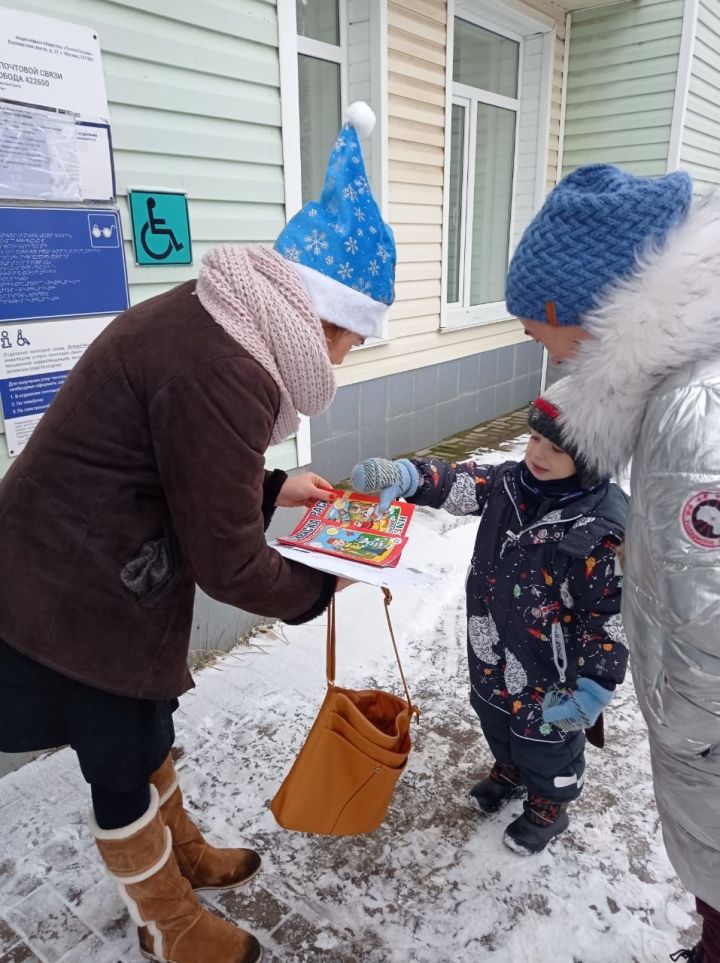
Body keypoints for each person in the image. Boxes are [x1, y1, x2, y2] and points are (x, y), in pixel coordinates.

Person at [0, 102, 394, 963]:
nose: (341, 362)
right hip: (71, 588)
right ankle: (168, 924)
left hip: (101, 558)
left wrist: (274, 484)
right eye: (352, 341)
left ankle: (181, 848)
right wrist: (319, 586)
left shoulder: (222, 316)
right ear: (323, 315)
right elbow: (226, 558)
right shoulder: (230, 364)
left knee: (145, 722)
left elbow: (176, 462)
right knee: (116, 747)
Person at [504, 164, 719, 962]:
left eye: (537, 332)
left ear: (571, 310)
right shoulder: (679, 391)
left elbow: (710, 616)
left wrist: (683, 730)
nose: (541, 350)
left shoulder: (692, 415)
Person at [351, 396, 628, 854]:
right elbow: (456, 482)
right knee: (493, 711)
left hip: (551, 666)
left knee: (548, 737)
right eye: (536, 439)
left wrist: (597, 685)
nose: (538, 454)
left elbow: (607, 616)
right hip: (490, 638)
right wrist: (407, 476)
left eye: (557, 450)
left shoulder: (598, 530)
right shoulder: (508, 484)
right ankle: (511, 768)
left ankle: (549, 802)